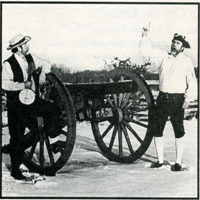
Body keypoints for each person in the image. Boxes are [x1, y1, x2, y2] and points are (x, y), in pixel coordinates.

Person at [2, 34, 60, 180]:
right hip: (17, 105)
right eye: (26, 45)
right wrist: (22, 85)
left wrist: (43, 74)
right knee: (17, 135)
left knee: (51, 109)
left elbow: (46, 64)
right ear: (19, 48)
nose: (28, 47)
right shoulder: (8, 64)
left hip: (32, 101)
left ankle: (53, 138)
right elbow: (4, 84)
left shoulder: (31, 58)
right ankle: (15, 170)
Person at [139, 26, 197, 171]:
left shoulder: (187, 62)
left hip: (177, 100)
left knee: (179, 130)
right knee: (157, 129)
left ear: (183, 47)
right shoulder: (163, 58)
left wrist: (188, 100)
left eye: (177, 43)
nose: (173, 44)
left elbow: (192, 82)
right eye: (173, 42)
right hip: (163, 99)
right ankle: (159, 161)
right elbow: (148, 53)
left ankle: (178, 162)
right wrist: (145, 37)